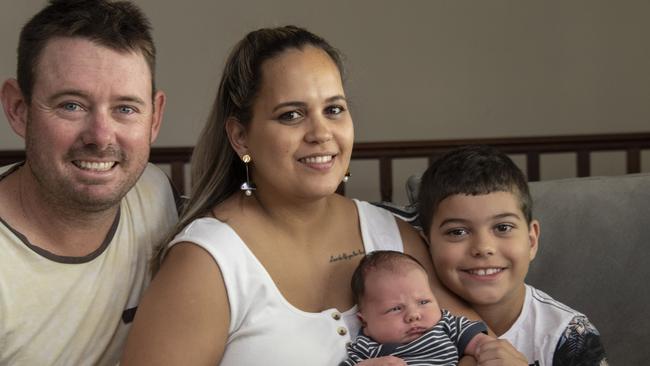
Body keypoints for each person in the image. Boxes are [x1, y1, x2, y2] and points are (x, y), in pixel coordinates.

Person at [121, 25, 476, 366]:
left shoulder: (391, 234)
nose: (321, 133)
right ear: (241, 136)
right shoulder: (207, 263)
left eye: (334, 110)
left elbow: (480, 346)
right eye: (291, 115)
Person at [0, 0, 177, 364]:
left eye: (125, 109)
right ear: (19, 109)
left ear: (154, 118)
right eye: (71, 105)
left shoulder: (156, 196)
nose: (100, 136)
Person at [417, 145, 608, 365]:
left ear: (531, 240)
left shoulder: (569, 335)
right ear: (427, 246)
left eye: (503, 227)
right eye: (457, 232)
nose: (483, 247)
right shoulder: (406, 321)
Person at [340, 250, 491, 365]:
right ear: (364, 321)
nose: (414, 315)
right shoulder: (365, 348)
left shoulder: (446, 324)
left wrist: (488, 349)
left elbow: (481, 344)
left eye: (424, 302)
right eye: (395, 309)